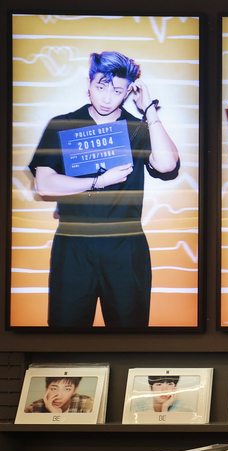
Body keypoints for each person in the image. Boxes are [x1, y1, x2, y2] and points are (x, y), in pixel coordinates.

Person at [28, 51, 180, 328]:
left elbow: (167, 165)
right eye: (100, 87)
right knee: (65, 335)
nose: (108, 98)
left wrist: (149, 111)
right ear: (89, 85)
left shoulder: (137, 129)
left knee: (130, 334)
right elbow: (44, 183)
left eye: (118, 90)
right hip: (74, 243)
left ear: (127, 92)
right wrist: (98, 182)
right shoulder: (63, 125)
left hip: (125, 245)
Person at [25, 376, 93, 414]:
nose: (59, 396)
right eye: (54, 389)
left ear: (75, 390)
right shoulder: (34, 408)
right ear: (46, 389)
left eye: (67, 389)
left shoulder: (88, 404)